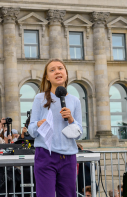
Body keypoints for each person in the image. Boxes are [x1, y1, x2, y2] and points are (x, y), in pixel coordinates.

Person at [29, 59, 83, 197]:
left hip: (68, 157)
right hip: (45, 155)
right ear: (47, 77)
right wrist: (38, 124)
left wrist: (71, 119)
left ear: (66, 73)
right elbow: (31, 130)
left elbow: (79, 134)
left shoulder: (75, 101)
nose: (57, 72)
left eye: (60, 68)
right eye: (52, 70)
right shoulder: (39, 98)